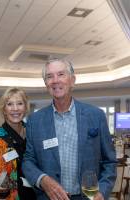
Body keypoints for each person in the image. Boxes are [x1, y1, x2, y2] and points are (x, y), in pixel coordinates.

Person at [22, 58, 117, 200]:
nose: (55, 80)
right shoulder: (34, 121)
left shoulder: (96, 115)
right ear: (46, 84)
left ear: (72, 80)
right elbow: (28, 160)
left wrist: (102, 192)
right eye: (49, 76)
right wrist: (43, 180)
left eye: (61, 74)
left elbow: (110, 162)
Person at [0, 87, 36, 200]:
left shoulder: (33, 134)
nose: (15, 109)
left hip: (34, 195)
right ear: (4, 109)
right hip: (7, 196)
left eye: (20, 103)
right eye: (10, 104)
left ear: (26, 107)